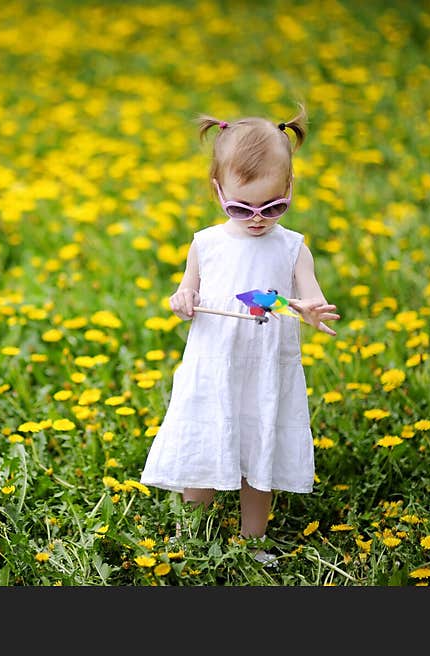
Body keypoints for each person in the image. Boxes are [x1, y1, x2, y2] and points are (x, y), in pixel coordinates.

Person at [140, 105, 340, 566]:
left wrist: (309, 310)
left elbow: (308, 296)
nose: (256, 218)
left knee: (260, 444)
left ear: (289, 189)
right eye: (240, 207)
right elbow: (187, 288)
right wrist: (181, 299)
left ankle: (254, 540)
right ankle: (195, 529)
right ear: (218, 192)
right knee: (205, 438)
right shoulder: (206, 243)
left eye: (273, 207)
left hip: (266, 369)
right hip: (214, 364)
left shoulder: (292, 247)